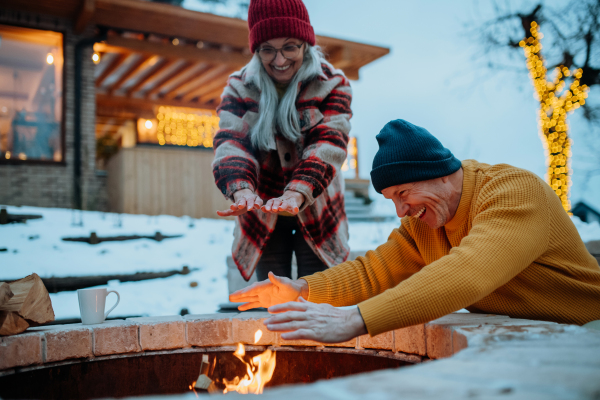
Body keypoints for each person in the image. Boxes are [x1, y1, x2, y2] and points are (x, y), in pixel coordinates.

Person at [230, 119, 600, 344]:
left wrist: (357, 319)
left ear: (439, 172)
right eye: (392, 199)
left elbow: (468, 271)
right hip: (527, 337)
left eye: (403, 193)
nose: (400, 210)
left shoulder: (515, 192)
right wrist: (302, 289)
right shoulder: (424, 225)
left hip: (587, 333)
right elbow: (374, 271)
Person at [212, 0, 352, 283]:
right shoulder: (238, 87)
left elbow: (328, 142)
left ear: (305, 44)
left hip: (318, 207)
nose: (279, 60)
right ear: (256, 50)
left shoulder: (333, 83)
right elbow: (231, 142)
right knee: (273, 300)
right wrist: (241, 190)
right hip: (260, 212)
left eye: (290, 46)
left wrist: (297, 193)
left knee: (315, 297)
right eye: (268, 49)